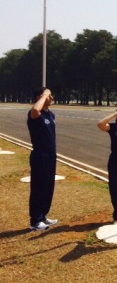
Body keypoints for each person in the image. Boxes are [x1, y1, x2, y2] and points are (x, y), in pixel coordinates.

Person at [27, 87, 59, 231]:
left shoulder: (50, 114)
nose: (51, 98)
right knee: (38, 187)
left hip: (51, 155)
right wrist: (44, 94)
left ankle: (43, 215)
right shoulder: (34, 113)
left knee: (48, 187)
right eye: (48, 95)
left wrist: (46, 95)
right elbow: (35, 111)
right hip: (40, 155)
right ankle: (35, 220)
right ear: (39, 97)